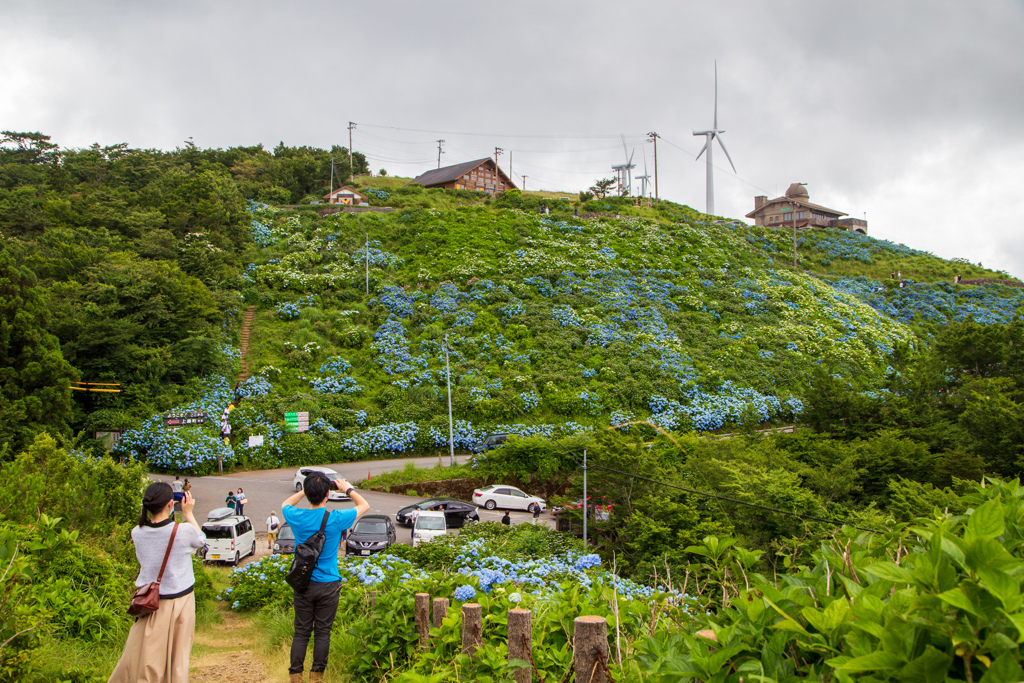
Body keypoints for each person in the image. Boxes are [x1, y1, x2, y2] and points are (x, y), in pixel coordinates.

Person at [108, 482, 206, 683]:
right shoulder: (182, 531)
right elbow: (202, 540)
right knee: (178, 660)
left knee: (148, 660)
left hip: (149, 602)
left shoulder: (137, 532)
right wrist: (188, 513)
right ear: (171, 504)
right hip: (181, 602)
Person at [282, 472, 368, 683]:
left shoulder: (296, 516)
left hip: (303, 582)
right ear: (327, 493)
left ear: (308, 492)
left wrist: (305, 489)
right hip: (329, 583)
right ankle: (317, 676)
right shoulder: (336, 518)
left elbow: (286, 503)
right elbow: (364, 505)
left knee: (301, 632)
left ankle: (295, 677)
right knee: (323, 632)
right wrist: (347, 489)